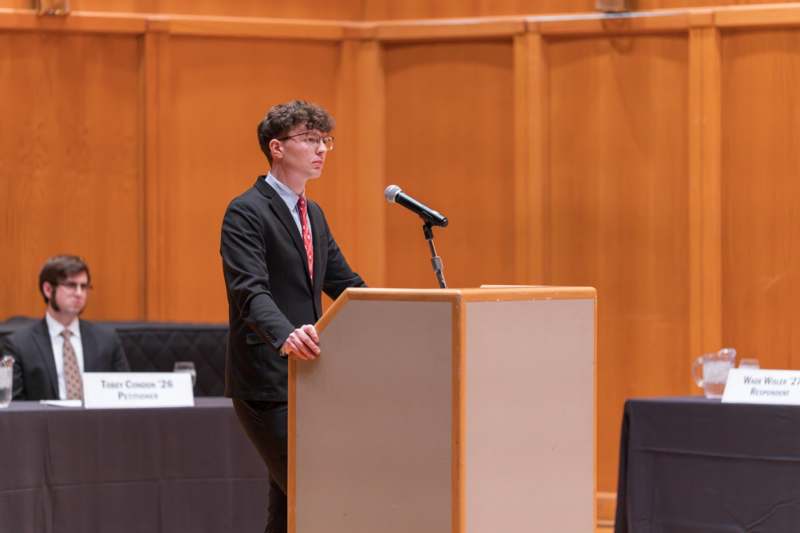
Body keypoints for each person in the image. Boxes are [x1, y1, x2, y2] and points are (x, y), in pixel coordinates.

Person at [220, 100, 366, 533]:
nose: (321, 149)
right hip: (266, 382)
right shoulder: (246, 211)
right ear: (277, 147)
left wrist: (400, 312)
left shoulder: (312, 213)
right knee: (316, 497)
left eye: (325, 140)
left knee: (288, 512)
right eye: (310, 139)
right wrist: (285, 334)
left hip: (308, 381)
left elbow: (346, 284)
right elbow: (249, 290)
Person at [4, 255, 130, 400]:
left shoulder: (107, 340)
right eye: (71, 285)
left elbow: (124, 395)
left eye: (84, 287)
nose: (79, 293)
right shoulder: (18, 345)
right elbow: (13, 404)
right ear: (48, 290)